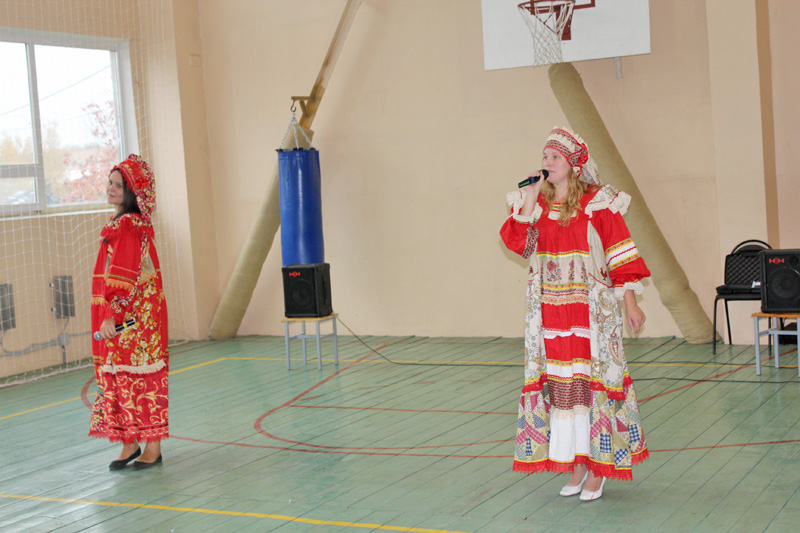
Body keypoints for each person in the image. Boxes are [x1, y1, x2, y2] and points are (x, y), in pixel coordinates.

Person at [500, 127, 649, 501]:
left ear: (574, 164)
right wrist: (529, 198)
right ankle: (577, 464)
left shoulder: (598, 202)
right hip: (551, 312)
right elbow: (518, 243)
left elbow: (620, 252)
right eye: (545, 156)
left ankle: (598, 468)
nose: (547, 162)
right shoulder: (536, 204)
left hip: (590, 311)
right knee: (564, 387)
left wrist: (631, 302)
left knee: (591, 382)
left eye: (555, 157)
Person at [89, 154, 169, 471]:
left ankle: (153, 446)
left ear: (132, 191)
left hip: (134, 318)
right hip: (136, 315)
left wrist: (113, 313)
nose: (111, 188)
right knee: (123, 375)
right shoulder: (129, 222)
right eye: (110, 183)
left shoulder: (128, 224)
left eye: (119, 185)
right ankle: (131, 441)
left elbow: (124, 273)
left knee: (142, 377)